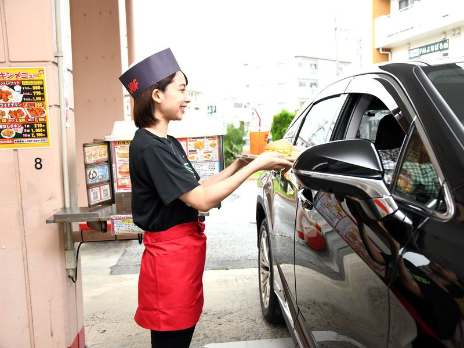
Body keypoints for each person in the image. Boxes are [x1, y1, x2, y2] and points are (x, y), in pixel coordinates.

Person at [119, 48, 293, 348]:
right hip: (169, 259)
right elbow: (201, 200)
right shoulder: (150, 147)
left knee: (179, 335)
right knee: (172, 340)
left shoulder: (166, 141)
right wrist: (257, 165)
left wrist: (238, 165)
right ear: (158, 95)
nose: (187, 98)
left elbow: (196, 186)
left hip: (181, 254)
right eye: (182, 89)